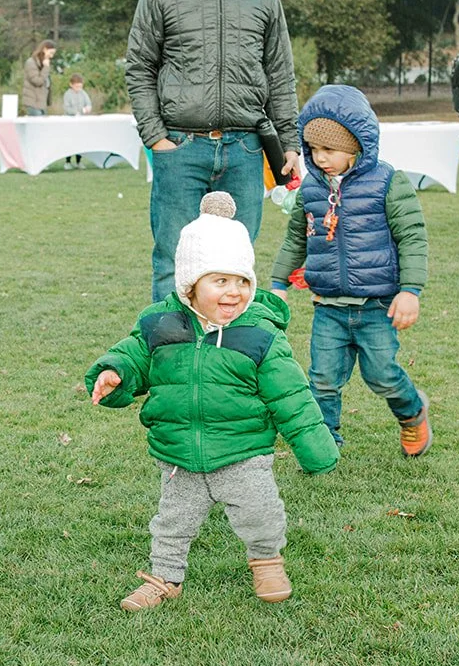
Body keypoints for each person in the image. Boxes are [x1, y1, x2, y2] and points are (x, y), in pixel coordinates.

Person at [87, 191, 338, 612]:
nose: (234, 292)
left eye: (242, 282)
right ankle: (165, 577)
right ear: (190, 283)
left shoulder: (260, 334)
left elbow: (291, 397)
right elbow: (134, 357)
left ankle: (266, 560)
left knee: (259, 514)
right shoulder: (160, 325)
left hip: (243, 452)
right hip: (179, 453)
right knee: (171, 523)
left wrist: (315, 449)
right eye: (220, 281)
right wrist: (115, 374)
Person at [126, 0, 302, 301]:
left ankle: (228, 355)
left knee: (236, 260)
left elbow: (279, 71)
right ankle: (170, 354)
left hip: (245, 149)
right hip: (180, 147)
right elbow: (139, 66)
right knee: (173, 257)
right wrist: (156, 137)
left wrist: (289, 139)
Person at [269, 86, 431, 453]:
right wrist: (279, 281)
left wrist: (411, 290)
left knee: (382, 376)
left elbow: (413, 237)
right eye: (313, 150)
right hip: (328, 305)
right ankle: (325, 440)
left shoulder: (388, 182)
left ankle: (412, 413)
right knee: (322, 378)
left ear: (356, 145)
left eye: (329, 150)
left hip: (377, 305)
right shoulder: (311, 188)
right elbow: (297, 237)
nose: (319, 158)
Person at [61, 72, 91, 169]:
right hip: (69, 122)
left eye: (80, 86)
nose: (79, 88)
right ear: (71, 85)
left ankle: (79, 162)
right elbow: (67, 108)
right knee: (69, 142)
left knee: (80, 142)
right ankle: (68, 162)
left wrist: (87, 108)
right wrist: (77, 112)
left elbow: (88, 104)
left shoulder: (83, 93)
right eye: (77, 86)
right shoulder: (67, 94)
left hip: (81, 122)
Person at [21, 40, 54, 116]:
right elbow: (37, 81)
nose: (52, 56)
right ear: (44, 49)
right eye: (51, 53)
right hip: (33, 103)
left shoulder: (43, 64)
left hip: (42, 103)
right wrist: (46, 68)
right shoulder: (31, 63)